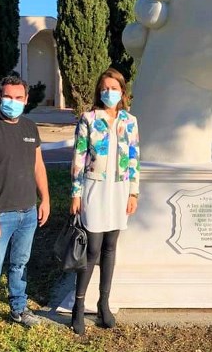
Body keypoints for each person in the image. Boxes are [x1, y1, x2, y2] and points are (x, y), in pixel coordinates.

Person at [0, 76, 51, 350]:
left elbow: (38, 166)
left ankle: (18, 309)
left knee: (19, 265)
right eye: (8, 97)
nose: (12, 102)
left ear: (26, 100)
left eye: (18, 98)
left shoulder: (30, 127)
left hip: (27, 213)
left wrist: (45, 198)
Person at [69, 67, 140, 335]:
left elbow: (134, 158)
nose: (109, 92)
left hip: (120, 189)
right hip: (94, 188)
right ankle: (78, 305)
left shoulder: (129, 121)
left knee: (111, 247)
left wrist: (133, 192)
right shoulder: (88, 118)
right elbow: (78, 158)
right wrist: (76, 193)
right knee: (92, 248)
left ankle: (104, 304)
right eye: (105, 88)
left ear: (122, 91)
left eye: (114, 88)